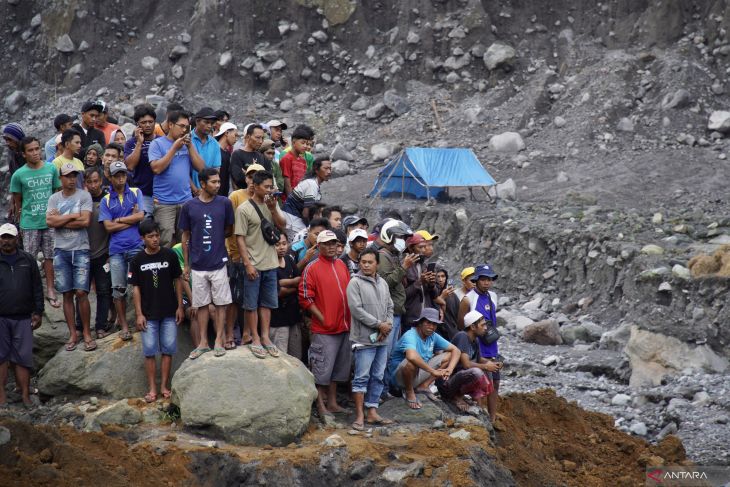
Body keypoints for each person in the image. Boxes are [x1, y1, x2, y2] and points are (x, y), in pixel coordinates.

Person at [180, 168, 234, 359]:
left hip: (219, 262)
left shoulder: (225, 203)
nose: (218, 185)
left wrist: (215, 239)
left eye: (219, 181)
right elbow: (185, 237)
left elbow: (229, 229)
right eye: (213, 182)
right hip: (197, 264)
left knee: (221, 304)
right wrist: (186, 265)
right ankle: (203, 342)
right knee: (201, 304)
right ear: (202, 184)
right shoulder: (189, 207)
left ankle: (218, 340)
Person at [129, 219, 184, 403]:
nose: (155, 239)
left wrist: (180, 306)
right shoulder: (137, 260)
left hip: (169, 311)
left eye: (157, 235)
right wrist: (138, 314)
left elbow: (178, 281)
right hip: (148, 313)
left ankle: (164, 386)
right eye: (150, 236)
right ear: (142, 238)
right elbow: (135, 287)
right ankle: (152, 388)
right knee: (150, 351)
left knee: (168, 349)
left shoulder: (169, 255)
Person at [299, 230, 351, 417]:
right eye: (327, 244)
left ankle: (333, 402)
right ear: (319, 246)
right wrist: (322, 317)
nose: (331, 247)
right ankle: (320, 405)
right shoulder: (312, 268)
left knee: (338, 369)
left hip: (344, 326)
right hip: (324, 329)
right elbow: (305, 297)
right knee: (321, 369)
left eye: (334, 243)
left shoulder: (341, 265)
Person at [234, 170, 286, 359]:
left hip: (270, 262)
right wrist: (247, 263)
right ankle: (254, 337)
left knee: (267, 303)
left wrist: (273, 209)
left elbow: (283, 225)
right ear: (255, 187)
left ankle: (265, 337)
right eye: (266, 187)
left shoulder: (272, 204)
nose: (269, 190)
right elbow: (239, 238)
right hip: (253, 263)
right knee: (251, 304)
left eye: (271, 186)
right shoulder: (243, 209)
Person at [46, 162, 94, 351]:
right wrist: (74, 216)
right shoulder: (53, 198)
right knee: (66, 293)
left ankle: (87, 333)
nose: (72, 179)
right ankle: (73, 334)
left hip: (81, 248)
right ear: (61, 178)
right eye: (68, 176)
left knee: (81, 292)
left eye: (74, 176)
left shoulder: (84, 195)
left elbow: (86, 221)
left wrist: (61, 220)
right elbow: (49, 221)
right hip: (61, 250)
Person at [10, 136, 62, 308]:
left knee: (50, 257)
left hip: (49, 221)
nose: (35, 153)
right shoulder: (19, 174)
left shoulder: (51, 168)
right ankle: (31, 292)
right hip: (29, 222)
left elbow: (56, 191)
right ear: (23, 154)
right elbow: (18, 199)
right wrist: (20, 218)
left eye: (37, 149)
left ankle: (50, 289)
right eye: (30, 150)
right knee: (30, 259)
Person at [347, 247, 394, 430]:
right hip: (363, 339)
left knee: (378, 376)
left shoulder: (383, 283)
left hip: (382, 338)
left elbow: (390, 306)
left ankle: (372, 411)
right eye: (363, 262)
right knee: (361, 377)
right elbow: (356, 310)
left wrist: (387, 325)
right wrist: (378, 324)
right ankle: (359, 415)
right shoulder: (355, 283)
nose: (366, 265)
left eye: (370, 262)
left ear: (377, 264)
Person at [99, 161, 145, 341]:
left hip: (135, 246)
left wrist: (117, 220)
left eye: (123, 174)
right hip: (116, 250)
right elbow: (107, 227)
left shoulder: (135, 192)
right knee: (118, 289)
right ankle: (124, 325)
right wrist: (129, 219)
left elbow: (141, 215)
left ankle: (141, 318)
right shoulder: (105, 199)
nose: (120, 178)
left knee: (139, 285)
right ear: (110, 177)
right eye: (117, 175)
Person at [371, 219, 418, 393]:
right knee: (384, 355)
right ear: (389, 235)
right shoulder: (383, 256)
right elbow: (384, 282)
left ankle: (385, 390)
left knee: (389, 354)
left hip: (395, 312)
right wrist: (404, 268)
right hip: (388, 314)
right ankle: (381, 392)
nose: (403, 241)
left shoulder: (391, 255)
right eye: (400, 237)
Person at [0, 223, 44, 408]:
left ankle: (25, 396)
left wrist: (38, 311)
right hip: (0, 317)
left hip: (23, 317)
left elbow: (37, 287)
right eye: (3, 237)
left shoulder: (28, 260)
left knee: (23, 358)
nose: (6, 241)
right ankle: (2, 398)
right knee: (0, 358)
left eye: (10, 237)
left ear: (17, 238)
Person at [148, 110, 205, 247]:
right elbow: (156, 168)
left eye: (187, 127)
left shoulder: (187, 144)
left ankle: (186, 268)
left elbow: (202, 168)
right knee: (165, 241)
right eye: (182, 126)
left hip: (185, 200)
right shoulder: (157, 144)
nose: (184, 130)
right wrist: (174, 149)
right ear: (171, 125)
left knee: (186, 241)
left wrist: (190, 146)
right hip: (164, 202)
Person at [389, 307, 460, 410]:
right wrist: (432, 371)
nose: (431, 327)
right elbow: (411, 356)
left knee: (449, 355)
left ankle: (423, 386)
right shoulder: (410, 335)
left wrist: (450, 369)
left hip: (419, 374)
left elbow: (456, 350)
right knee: (411, 362)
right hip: (400, 379)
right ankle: (409, 391)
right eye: (428, 323)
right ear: (420, 323)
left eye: (434, 324)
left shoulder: (433, 336)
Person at [457, 264, 502, 423]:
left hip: (492, 345)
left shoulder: (493, 296)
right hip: (479, 346)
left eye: (489, 279)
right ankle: (481, 415)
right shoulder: (468, 298)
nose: (487, 283)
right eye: (483, 279)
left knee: (495, 381)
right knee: (482, 383)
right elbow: (461, 324)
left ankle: (492, 417)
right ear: (476, 280)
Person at [438, 310, 498, 414]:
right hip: (447, 383)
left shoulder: (475, 339)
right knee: (477, 372)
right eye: (482, 325)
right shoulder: (462, 336)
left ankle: (478, 404)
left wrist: (492, 364)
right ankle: (455, 397)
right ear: (473, 327)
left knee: (487, 370)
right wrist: (486, 366)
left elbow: (479, 359)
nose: (485, 328)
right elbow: (466, 364)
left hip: (459, 379)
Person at [83, 167, 114, 339]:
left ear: (101, 181)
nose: (93, 185)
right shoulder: (81, 200)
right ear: (85, 184)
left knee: (103, 291)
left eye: (96, 181)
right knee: (82, 291)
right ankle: (81, 327)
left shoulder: (108, 199)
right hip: (83, 253)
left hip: (103, 252)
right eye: (89, 182)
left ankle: (100, 326)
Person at [282, 156, 332, 241]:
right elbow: (306, 213)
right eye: (326, 168)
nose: (329, 172)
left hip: (295, 221)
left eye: (330, 169)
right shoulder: (311, 184)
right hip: (293, 222)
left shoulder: (314, 184)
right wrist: (312, 227)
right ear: (316, 170)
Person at [269, 233, 302, 359]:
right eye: (277, 244)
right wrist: (293, 284)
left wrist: (286, 284)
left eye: (284, 243)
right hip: (277, 319)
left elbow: (299, 279)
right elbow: (278, 291)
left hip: (293, 316)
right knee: (281, 357)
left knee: (296, 356)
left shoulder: (289, 259)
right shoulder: (268, 263)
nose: (281, 247)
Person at [124, 104, 158, 213]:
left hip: (162, 194)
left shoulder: (162, 141)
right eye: (143, 123)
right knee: (145, 226)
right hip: (142, 194)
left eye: (150, 122)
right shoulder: (131, 143)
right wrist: (139, 142)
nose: (148, 125)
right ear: (137, 125)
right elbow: (130, 166)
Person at [403, 233, 438, 332]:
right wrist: (420, 282)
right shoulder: (404, 267)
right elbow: (403, 296)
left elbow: (434, 295)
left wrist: (431, 284)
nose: (423, 250)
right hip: (411, 319)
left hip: (426, 318)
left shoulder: (424, 266)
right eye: (420, 247)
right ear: (411, 249)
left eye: (424, 247)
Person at [190, 107, 222, 191]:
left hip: (207, 191)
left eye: (211, 123)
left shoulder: (215, 144)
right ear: (197, 121)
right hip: (187, 192)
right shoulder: (186, 140)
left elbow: (216, 170)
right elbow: (181, 170)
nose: (209, 126)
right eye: (206, 122)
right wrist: (195, 190)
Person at [279, 125, 314, 197]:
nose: (305, 146)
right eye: (303, 143)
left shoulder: (303, 161)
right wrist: (292, 201)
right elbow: (287, 183)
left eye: (307, 144)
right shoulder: (287, 158)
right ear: (293, 142)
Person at [230, 124, 266, 189]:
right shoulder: (237, 154)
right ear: (248, 137)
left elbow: (263, 178)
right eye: (257, 137)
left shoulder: (260, 156)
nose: (261, 141)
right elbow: (238, 179)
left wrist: (247, 173)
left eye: (262, 138)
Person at [434, 268, 459, 339]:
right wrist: (442, 297)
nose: (440, 280)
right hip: (438, 332)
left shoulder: (453, 295)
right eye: (438, 277)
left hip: (452, 331)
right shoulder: (431, 295)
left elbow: (458, 315)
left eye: (443, 276)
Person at [215, 121, 238, 196]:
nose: (236, 139)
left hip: (224, 194)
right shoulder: (214, 149)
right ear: (227, 133)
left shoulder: (227, 153)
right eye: (235, 135)